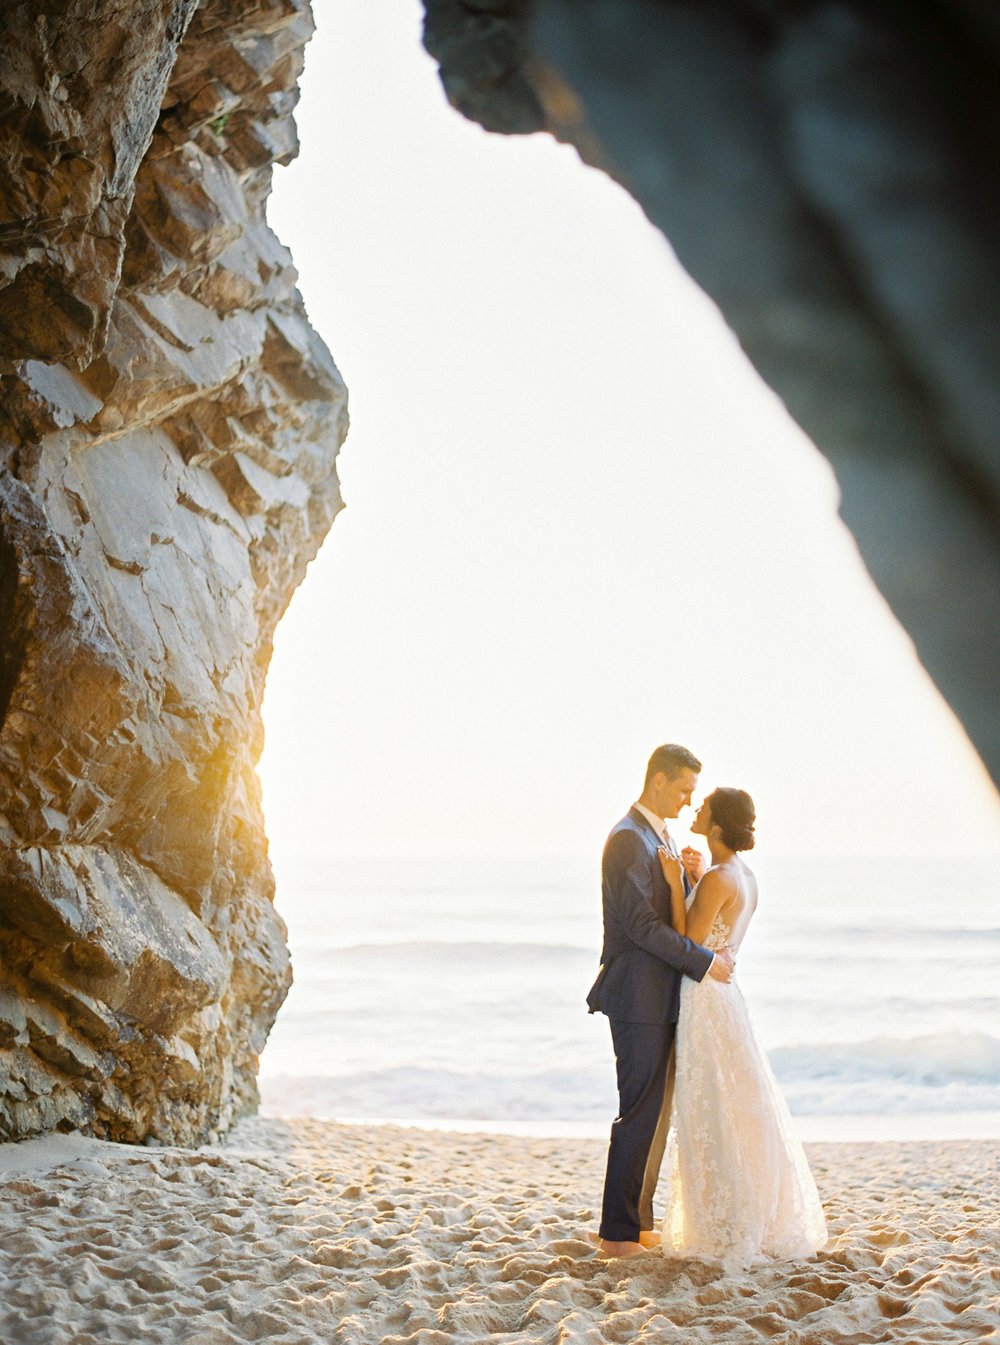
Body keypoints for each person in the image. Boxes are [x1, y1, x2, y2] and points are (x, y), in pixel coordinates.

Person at [657, 787, 828, 1265]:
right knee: (736, 1108)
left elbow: (686, 941)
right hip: (726, 997)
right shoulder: (743, 875)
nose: (695, 810)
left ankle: (723, 1222)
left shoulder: (719, 878)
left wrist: (676, 882)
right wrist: (695, 877)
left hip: (705, 1000)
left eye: (703, 807)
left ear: (715, 825)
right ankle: (752, 1214)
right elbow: (716, 938)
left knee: (712, 1108)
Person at [587, 744, 735, 1259]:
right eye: (683, 790)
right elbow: (641, 927)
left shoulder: (660, 834)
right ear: (658, 781)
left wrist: (691, 879)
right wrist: (703, 960)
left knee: (657, 1112)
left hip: (663, 995)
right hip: (637, 993)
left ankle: (639, 1224)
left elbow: (667, 912)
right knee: (639, 1112)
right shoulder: (628, 840)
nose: (689, 801)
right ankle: (617, 1234)